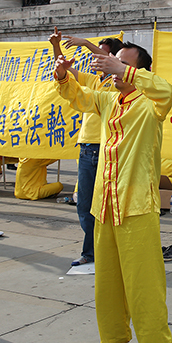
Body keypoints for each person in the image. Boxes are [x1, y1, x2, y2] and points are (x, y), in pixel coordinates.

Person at [53, 41, 172, 343]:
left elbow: (165, 91)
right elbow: (79, 98)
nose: (112, 67)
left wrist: (124, 70)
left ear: (139, 69)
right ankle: (114, 342)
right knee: (107, 281)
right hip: (104, 204)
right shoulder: (108, 99)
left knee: (143, 283)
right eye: (113, 62)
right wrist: (63, 76)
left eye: (121, 63)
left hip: (137, 205)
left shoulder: (151, 102)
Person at [49, 28, 121, 266]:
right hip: (87, 148)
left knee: (107, 205)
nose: (96, 59)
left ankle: (104, 251)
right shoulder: (93, 80)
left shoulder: (119, 83)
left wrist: (86, 43)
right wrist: (56, 46)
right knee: (85, 204)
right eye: (95, 56)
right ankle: (91, 252)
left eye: (102, 56)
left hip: (108, 148)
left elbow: (107, 58)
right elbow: (65, 71)